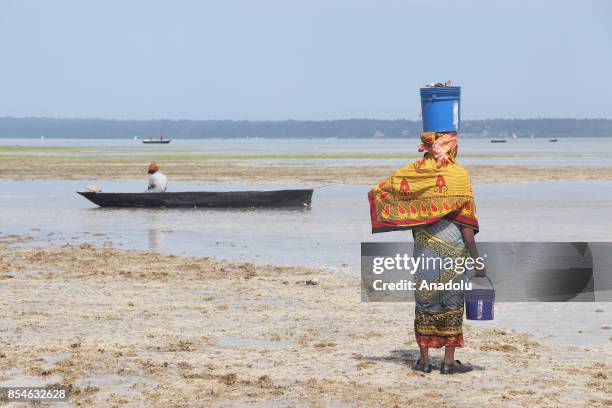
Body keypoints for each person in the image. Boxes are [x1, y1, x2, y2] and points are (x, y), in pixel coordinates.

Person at [368, 131, 484, 375]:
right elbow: (467, 226)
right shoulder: (459, 176)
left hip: (424, 251)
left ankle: (424, 361)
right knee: (451, 302)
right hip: (453, 251)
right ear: (451, 148)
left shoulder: (415, 175)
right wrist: (477, 259)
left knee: (426, 301)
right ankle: (448, 362)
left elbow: (394, 193)